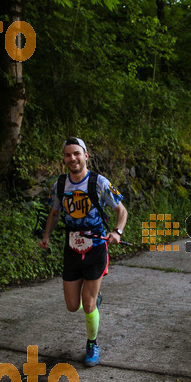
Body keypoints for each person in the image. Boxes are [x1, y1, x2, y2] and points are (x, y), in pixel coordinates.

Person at [38, 137, 127, 367]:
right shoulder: (59, 184)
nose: (72, 158)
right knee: (71, 305)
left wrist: (117, 231)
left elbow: (121, 210)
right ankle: (94, 301)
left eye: (76, 153)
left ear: (86, 155)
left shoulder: (99, 183)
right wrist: (46, 235)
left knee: (87, 305)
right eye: (68, 155)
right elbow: (55, 213)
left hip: (96, 247)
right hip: (72, 248)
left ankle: (92, 343)